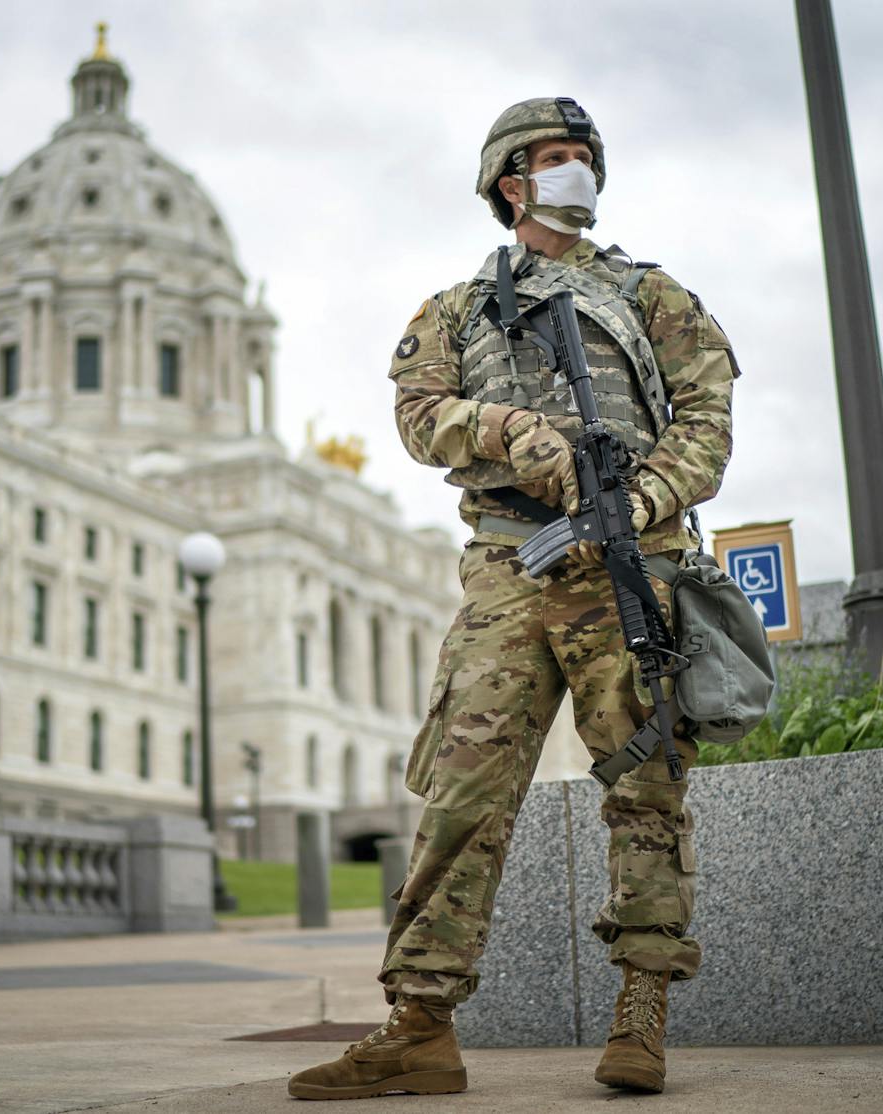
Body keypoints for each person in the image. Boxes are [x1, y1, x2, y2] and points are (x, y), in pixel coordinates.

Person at [288, 96, 739, 1100]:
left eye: (585, 154)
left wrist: (649, 493)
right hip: (509, 568)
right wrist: (506, 432)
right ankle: (418, 1025)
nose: (576, 167)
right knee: (460, 791)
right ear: (510, 180)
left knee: (645, 786)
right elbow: (415, 414)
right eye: (555, 156)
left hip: (631, 567)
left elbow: (706, 412)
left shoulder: (651, 294)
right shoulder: (454, 309)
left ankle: (640, 1012)